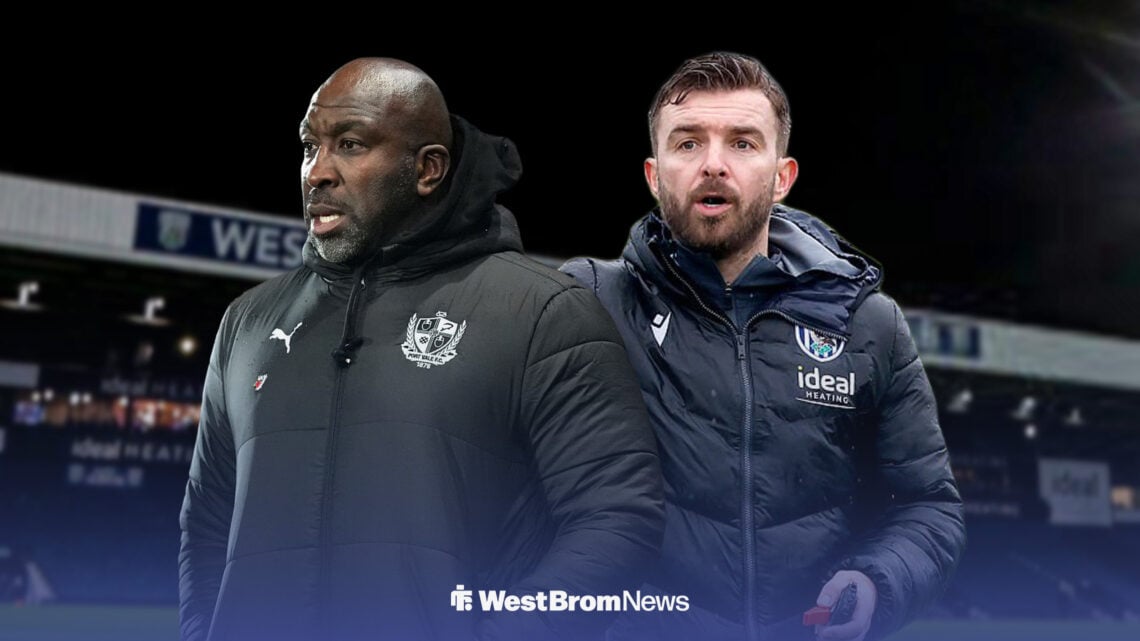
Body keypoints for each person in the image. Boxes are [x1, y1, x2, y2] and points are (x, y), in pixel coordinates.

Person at [179, 57, 665, 641]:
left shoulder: (543, 313)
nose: (317, 172)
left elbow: (616, 521)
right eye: (310, 146)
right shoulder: (248, 322)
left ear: (428, 169)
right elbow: (206, 523)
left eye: (351, 144)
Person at [562, 52, 966, 641]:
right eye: (688, 143)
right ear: (654, 175)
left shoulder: (868, 325)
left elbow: (929, 505)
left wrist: (878, 581)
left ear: (782, 177)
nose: (714, 165)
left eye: (744, 143)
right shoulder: (586, 301)